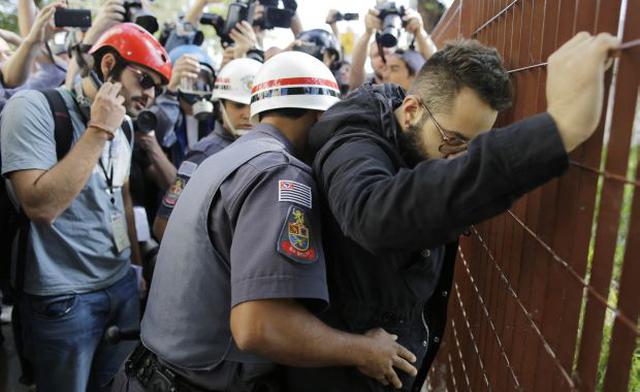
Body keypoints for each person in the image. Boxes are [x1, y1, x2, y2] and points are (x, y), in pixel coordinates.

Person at [285, 33, 620, 392]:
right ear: (412, 110)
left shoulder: (415, 128)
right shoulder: (352, 141)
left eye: (473, 147)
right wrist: (556, 131)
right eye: (455, 142)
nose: (460, 159)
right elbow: (373, 212)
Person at [112, 51, 417, 392]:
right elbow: (259, 326)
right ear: (322, 118)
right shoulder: (281, 174)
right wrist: (363, 351)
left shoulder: (223, 157)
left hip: (152, 374)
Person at [0, 22, 171, 392]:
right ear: (108, 64)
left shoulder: (124, 126)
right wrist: (97, 132)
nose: (151, 95)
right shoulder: (32, 108)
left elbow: (121, 196)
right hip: (63, 298)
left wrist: (135, 269)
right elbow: (40, 206)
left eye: (158, 86)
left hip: (121, 286)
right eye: (144, 80)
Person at [153, 57, 262, 240]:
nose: (247, 113)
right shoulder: (205, 154)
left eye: (254, 104)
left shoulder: (264, 149)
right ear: (221, 106)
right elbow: (163, 225)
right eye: (238, 105)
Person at [350, 6, 437, 90]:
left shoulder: (416, 89)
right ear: (370, 61)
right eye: (377, 55)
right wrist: (367, 33)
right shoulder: (367, 87)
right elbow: (355, 71)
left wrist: (420, 33)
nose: (384, 59)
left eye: (388, 53)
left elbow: (437, 67)